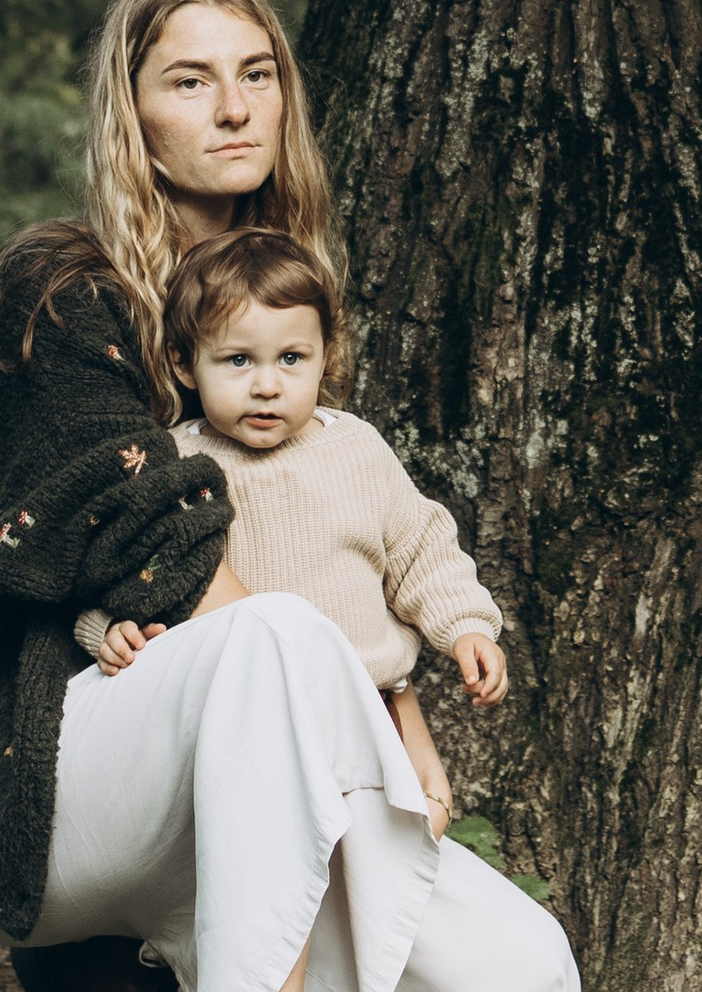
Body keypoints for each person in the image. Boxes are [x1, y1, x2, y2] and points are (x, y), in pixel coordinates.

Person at [0, 0, 581, 992]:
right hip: (49, 761)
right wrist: (373, 728)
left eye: (256, 75)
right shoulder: (60, 284)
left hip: (257, 765)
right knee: (264, 629)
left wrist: (404, 717)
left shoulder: (283, 301)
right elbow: (159, 540)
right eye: (189, 79)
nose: (233, 107)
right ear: (130, 110)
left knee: (524, 986)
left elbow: (358, 540)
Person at [83, 226, 507, 857]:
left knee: (386, 849)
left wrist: (467, 628)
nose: (267, 385)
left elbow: (421, 548)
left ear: (324, 355)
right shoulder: (174, 464)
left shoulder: (355, 448)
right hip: (242, 731)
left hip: (367, 714)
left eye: (291, 359)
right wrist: (107, 628)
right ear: (182, 361)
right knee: (265, 858)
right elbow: (119, 569)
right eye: (237, 360)